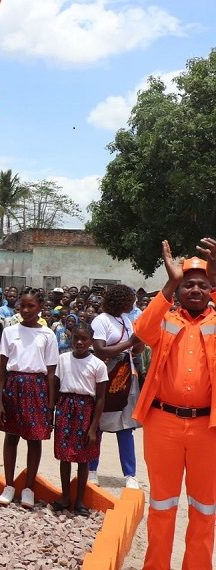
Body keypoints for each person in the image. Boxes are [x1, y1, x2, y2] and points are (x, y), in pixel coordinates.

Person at [132, 239, 216, 570]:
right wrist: (169, 282)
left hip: (208, 428)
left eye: (203, 285)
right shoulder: (166, 320)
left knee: (205, 508)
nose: (195, 290)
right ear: (179, 290)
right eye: (188, 284)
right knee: (162, 505)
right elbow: (142, 331)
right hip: (163, 423)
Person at [0, 291, 59, 509]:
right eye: (22, 306)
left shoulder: (48, 335)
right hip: (13, 386)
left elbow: (51, 372)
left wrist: (50, 405)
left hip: (37, 388)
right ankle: (9, 485)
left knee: (34, 438)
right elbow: (2, 369)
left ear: (40, 307)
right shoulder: (9, 331)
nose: (26, 310)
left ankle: (29, 488)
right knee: (11, 436)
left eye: (31, 306)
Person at [88, 284, 143, 489]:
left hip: (125, 377)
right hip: (105, 376)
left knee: (125, 427)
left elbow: (135, 349)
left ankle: (130, 474)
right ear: (121, 302)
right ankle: (91, 470)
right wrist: (130, 342)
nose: (133, 304)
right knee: (98, 425)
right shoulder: (101, 321)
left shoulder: (126, 320)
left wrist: (140, 340)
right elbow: (100, 350)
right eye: (131, 301)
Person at [51, 323, 108, 516]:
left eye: (84, 339)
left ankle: (80, 500)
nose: (80, 342)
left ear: (91, 341)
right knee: (64, 455)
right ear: (71, 338)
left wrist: (93, 427)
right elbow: (56, 386)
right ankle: (65, 496)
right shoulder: (62, 359)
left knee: (83, 457)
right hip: (65, 407)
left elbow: (100, 398)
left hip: (86, 410)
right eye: (76, 338)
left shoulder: (98, 365)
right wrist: (52, 412)